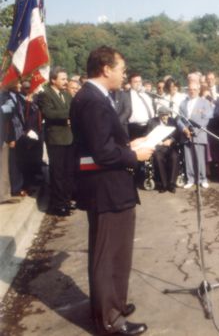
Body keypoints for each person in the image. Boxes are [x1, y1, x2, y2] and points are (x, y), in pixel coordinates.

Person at [70, 46, 153, 335]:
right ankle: (110, 319)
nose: (124, 74)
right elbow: (102, 154)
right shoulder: (92, 100)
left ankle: (113, 303)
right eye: (121, 69)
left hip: (107, 187)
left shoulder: (94, 96)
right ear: (106, 69)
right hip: (106, 188)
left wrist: (128, 145)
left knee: (116, 253)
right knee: (109, 256)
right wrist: (134, 156)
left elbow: (102, 144)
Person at [38, 67, 76, 216]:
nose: (66, 82)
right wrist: (69, 115)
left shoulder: (66, 94)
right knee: (58, 173)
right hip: (56, 139)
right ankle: (58, 204)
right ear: (53, 80)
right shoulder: (45, 95)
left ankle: (66, 201)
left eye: (66, 79)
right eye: (63, 79)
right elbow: (49, 113)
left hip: (69, 138)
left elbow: (74, 108)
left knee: (68, 172)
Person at [179, 82, 213, 189]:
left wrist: (196, 130)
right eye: (190, 89)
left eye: (194, 89)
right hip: (186, 134)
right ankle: (190, 179)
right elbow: (178, 118)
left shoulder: (205, 102)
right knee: (188, 157)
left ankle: (203, 179)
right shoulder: (183, 103)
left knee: (200, 158)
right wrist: (184, 129)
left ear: (198, 90)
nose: (192, 91)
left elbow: (206, 119)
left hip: (199, 133)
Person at [147, 106, 180, 193]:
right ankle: (163, 184)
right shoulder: (152, 122)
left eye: (166, 115)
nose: (165, 117)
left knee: (174, 157)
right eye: (163, 115)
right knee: (158, 158)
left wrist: (171, 140)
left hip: (170, 146)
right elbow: (147, 135)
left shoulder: (172, 121)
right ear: (159, 115)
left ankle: (172, 184)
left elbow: (177, 134)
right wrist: (158, 142)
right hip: (158, 146)